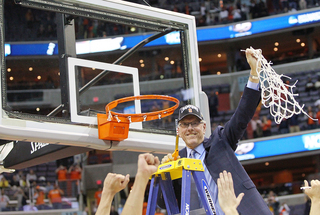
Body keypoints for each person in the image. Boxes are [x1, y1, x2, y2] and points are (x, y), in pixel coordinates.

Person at [159, 48, 271, 214]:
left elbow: (242, 115)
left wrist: (254, 73)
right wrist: (165, 174)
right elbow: (164, 204)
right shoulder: (177, 161)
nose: (190, 128)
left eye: (195, 123)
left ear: (204, 127)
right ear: (178, 131)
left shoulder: (220, 141)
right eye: (185, 124)